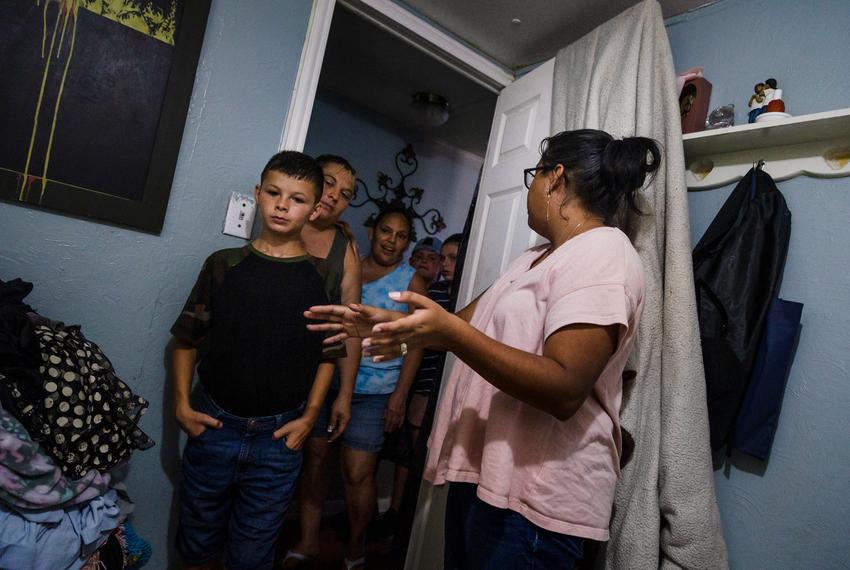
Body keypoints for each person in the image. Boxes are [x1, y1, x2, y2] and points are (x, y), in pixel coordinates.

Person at [307, 129, 659, 569]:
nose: (531, 185)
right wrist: (380, 322)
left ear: (555, 178)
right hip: (487, 474)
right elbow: (458, 326)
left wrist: (451, 334)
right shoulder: (532, 258)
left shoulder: (604, 252)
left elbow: (566, 388)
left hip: (538, 498)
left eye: (535, 173)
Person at [171, 151, 345, 570]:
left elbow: (329, 354)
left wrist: (311, 417)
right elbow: (185, 340)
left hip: (277, 439)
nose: (283, 205)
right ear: (258, 194)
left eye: (298, 199)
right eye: (274, 193)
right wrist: (181, 405)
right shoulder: (223, 266)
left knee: (251, 556)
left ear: (315, 207)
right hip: (215, 428)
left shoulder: (323, 277)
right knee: (196, 546)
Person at [329, 207, 427, 569]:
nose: (393, 241)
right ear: (372, 232)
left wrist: (400, 395)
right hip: (331, 380)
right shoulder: (350, 268)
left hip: (375, 391)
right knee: (318, 464)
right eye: (387, 231)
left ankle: (356, 549)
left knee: (358, 472)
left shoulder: (411, 280)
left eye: (402, 236)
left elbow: (416, 342)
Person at [283, 155, 363, 569]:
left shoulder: (344, 250)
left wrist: (345, 395)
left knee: (315, 459)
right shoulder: (281, 221)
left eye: (345, 193)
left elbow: (351, 328)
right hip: (269, 373)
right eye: (329, 183)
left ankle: (309, 541)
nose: (334, 196)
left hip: (320, 374)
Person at [374, 232, 463, 540]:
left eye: (453, 258)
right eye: (446, 258)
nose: (447, 264)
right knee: (404, 452)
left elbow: (439, 340)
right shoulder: (433, 290)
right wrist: (394, 349)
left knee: (422, 455)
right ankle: (395, 516)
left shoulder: (464, 294)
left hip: (440, 385)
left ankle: (407, 521)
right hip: (415, 379)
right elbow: (415, 339)